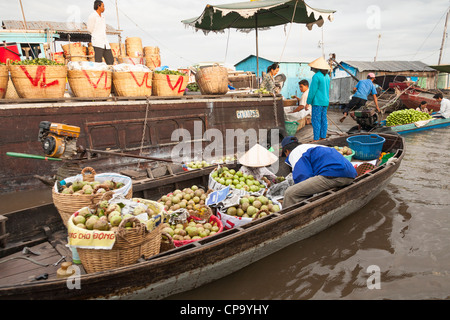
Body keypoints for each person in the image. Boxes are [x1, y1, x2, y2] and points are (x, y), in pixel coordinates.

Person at [280, 136, 357, 208]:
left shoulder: (295, 152)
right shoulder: (310, 146)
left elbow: (303, 177)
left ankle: (286, 220)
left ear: (287, 151)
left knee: (290, 193)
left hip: (334, 174)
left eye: (285, 154)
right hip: (350, 174)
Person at [306, 57, 331, 141]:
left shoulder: (316, 76)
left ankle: (316, 139)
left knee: (316, 120)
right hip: (325, 101)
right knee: (324, 120)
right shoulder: (327, 76)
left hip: (317, 102)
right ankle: (323, 137)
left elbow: (312, 91)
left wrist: (308, 102)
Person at [87, 0, 114, 65]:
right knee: (98, 62)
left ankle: (109, 74)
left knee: (110, 60)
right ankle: (99, 74)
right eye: (103, 6)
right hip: (97, 42)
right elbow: (90, 29)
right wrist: (96, 35)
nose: (104, 8)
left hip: (105, 42)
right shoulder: (92, 16)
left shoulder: (103, 17)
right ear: (98, 6)